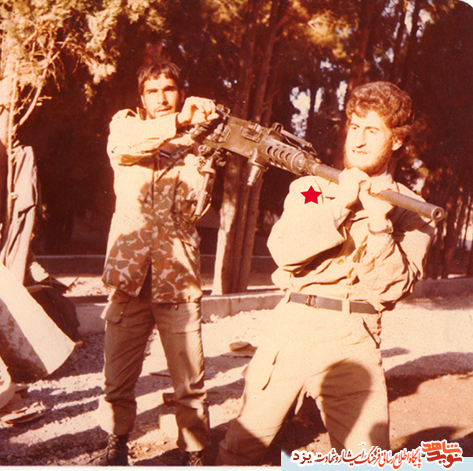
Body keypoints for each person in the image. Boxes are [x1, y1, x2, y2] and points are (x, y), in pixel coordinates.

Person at [216, 81, 436, 465]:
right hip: (291, 328)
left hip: (354, 337)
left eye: (373, 131)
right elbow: (285, 253)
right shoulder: (313, 186)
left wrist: (380, 225)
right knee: (239, 450)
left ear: (397, 140)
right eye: (355, 127)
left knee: (368, 460)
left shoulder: (411, 209)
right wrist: (339, 207)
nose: (359, 140)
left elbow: (391, 290)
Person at [93, 60, 217, 466]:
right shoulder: (125, 127)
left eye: (169, 89)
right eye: (153, 91)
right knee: (117, 379)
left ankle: (195, 450)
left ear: (181, 93)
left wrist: (204, 125)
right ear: (141, 98)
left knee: (190, 381)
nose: (162, 98)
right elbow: (126, 145)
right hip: (130, 277)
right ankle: (116, 445)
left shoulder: (200, 143)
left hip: (177, 277)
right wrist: (179, 122)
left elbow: (200, 207)